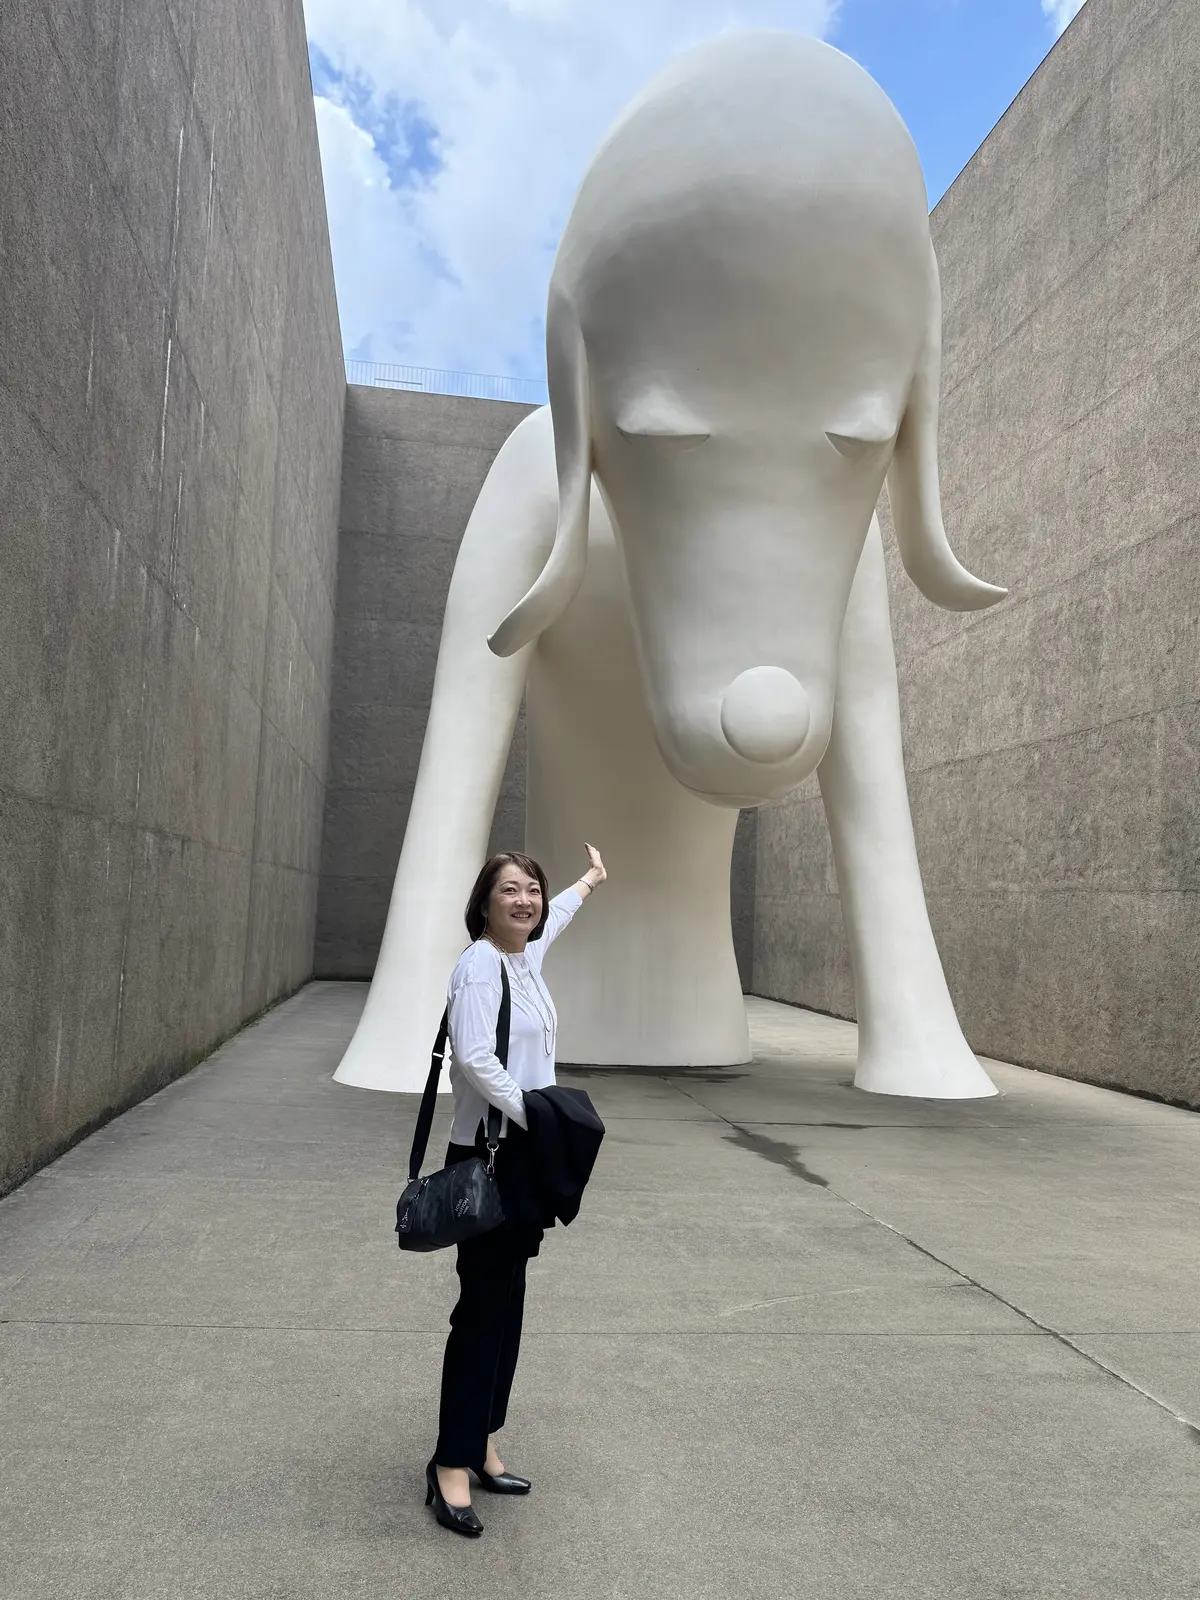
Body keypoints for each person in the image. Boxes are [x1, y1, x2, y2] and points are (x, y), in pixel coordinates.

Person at [425, 843, 607, 1538]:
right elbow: (473, 1059)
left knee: (509, 1308)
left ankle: (483, 1442)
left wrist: (587, 880)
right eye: (510, 890)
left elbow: (554, 918)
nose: (526, 900)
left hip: (519, 1154)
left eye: (531, 889)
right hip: (489, 1155)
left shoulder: (524, 956)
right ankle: (449, 1463)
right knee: (481, 1313)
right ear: (485, 902)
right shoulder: (478, 967)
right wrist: (541, 1116)